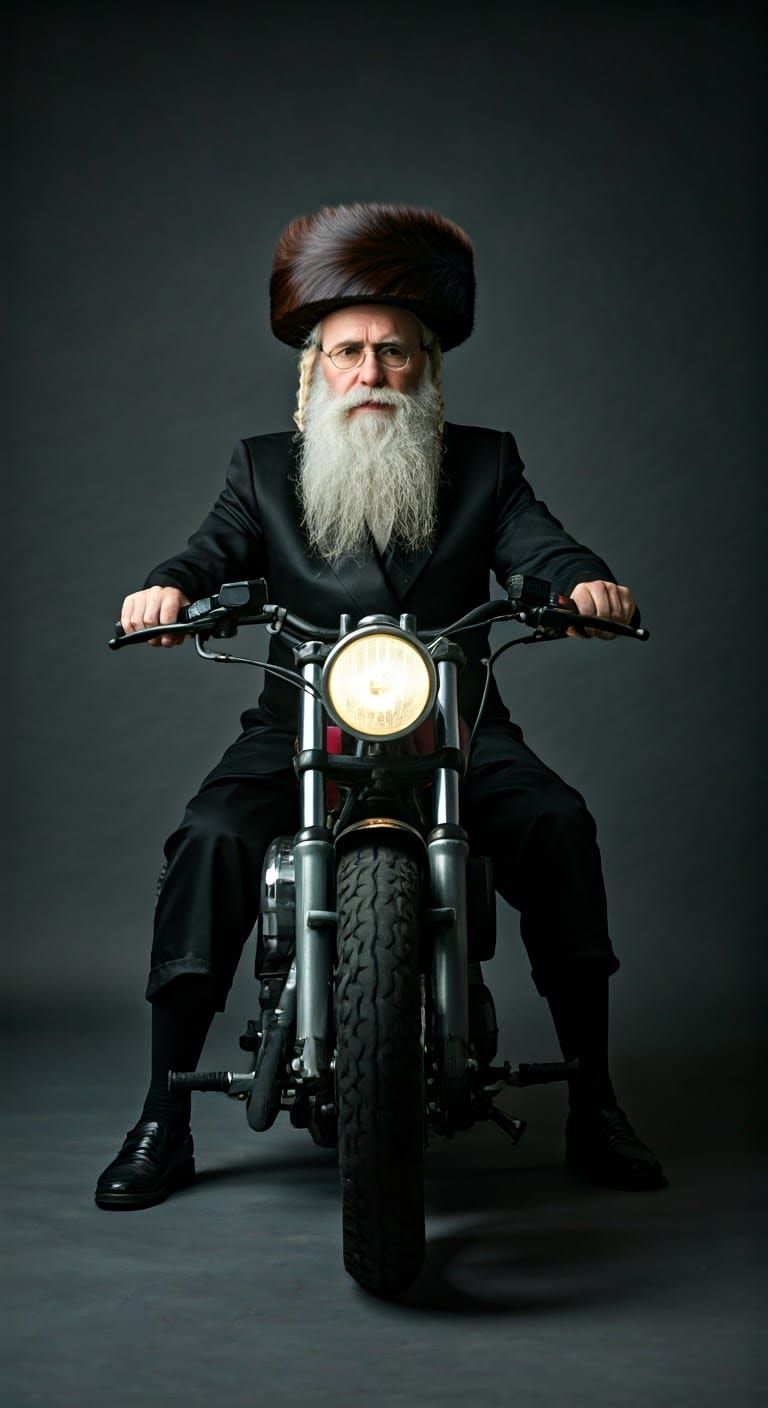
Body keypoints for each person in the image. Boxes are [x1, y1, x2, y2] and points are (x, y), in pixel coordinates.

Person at [95, 202, 666, 1211]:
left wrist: (585, 585)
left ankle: (597, 1101)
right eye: (349, 352)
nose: (372, 373)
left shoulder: (484, 464)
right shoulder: (263, 468)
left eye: (395, 353)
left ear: (427, 371)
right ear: (314, 370)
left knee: (557, 824)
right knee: (210, 838)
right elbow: (205, 552)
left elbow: (545, 546)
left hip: (456, 726)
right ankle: (162, 1113)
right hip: (297, 724)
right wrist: (167, 589)